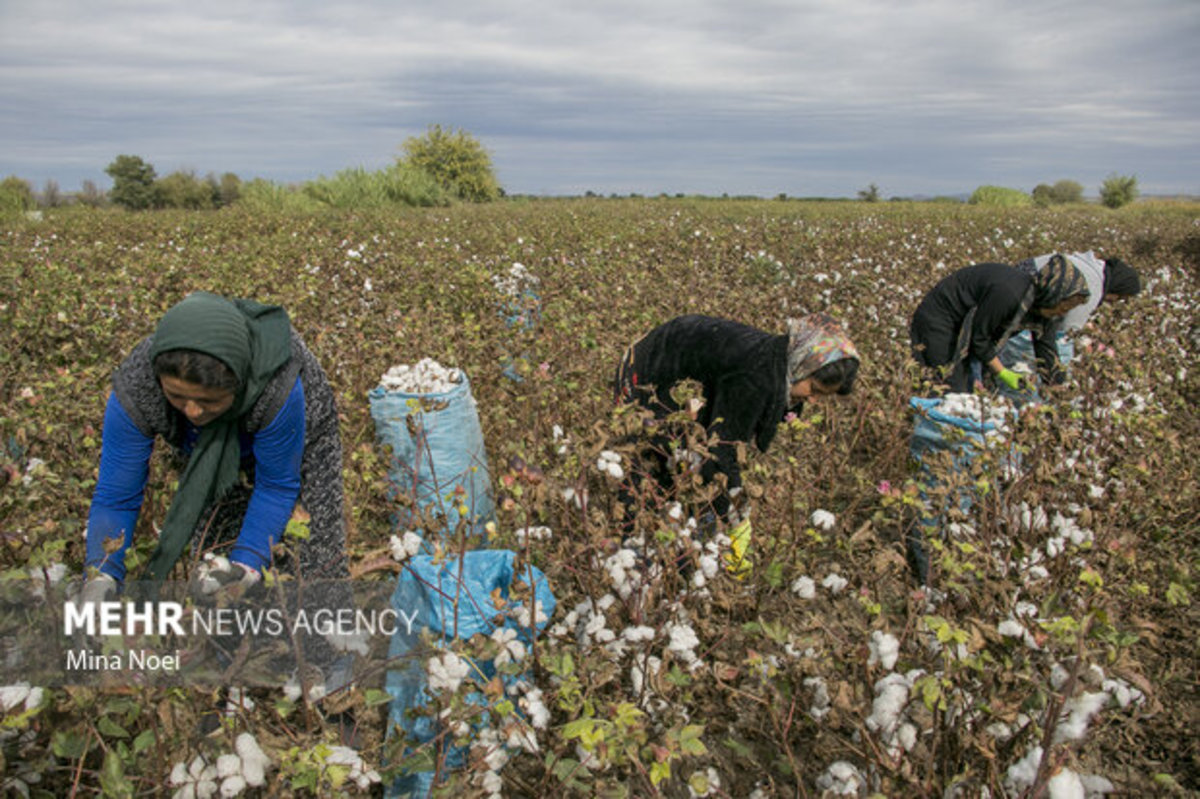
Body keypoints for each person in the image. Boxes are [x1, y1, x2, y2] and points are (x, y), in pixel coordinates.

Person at [84, 291, 348, 590]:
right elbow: (116, 494)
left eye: (209, 401)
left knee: (310, 546)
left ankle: (317, 630)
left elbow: (276, 486)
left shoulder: (278, 387)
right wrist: (101, 575)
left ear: (236, 388)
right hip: (208, 441)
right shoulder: (139, 387)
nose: (193, 411)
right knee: (214, 551)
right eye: (177, 396)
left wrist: (246, 566)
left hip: (297, 430)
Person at [613, 313, 859, 573]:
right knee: (651, 458)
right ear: (802, 365)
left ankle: (676, 546)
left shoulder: (780, 363)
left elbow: (722, 436)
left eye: (823, 396)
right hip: (649, 371)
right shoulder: (757, 377)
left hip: (690, 380)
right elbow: (720, 453)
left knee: (690, 458)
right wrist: (737, 517)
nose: (813, 401)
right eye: (815, 390)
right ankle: (634, 558)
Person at [909, 257, 1091, 394]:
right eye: (1065, 306)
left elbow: (1047, 350)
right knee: (949, 385)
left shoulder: (1046, 311)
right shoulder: (1009, 294)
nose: (1064, 312)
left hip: (967, 326)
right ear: (1053, 295)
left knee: (966, 386)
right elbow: (978, 338)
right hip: (941, 319)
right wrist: (1003, 372)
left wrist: (1059, 393)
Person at [999, 252, 1141, 381]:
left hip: (1015, 280)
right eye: (1118, 297)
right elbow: (1066, 330)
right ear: (1117, 289)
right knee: (1024, 359)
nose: (1114, 301)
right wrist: (1057, 376)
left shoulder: (1091, 265)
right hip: (1026, 297)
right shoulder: (1094, 286)